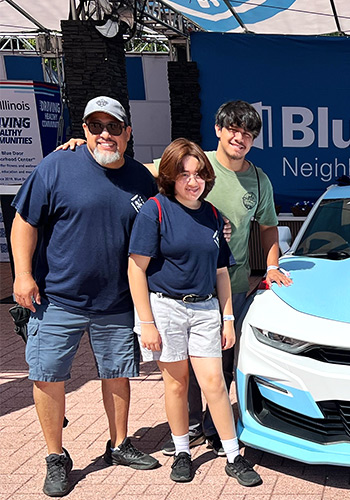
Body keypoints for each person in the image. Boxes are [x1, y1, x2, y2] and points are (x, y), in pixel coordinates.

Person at [59, 100, 292, 454]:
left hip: (231, 286)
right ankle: (193, 427)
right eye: (233, 129)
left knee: (220, 365)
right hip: (180, 288)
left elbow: (269, 229)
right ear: (219, 130)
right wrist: (85, 147)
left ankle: (216, 429)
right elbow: (126, 164)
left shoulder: (259, 181)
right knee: (182, 370)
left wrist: (272, 266)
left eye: (248, 133)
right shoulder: (194, 162)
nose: (239, 138)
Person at [11, 96, 160, 497]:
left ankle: (119, 444)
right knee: (47, 376)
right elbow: (24, 221)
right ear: (85, 131)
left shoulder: (142, 180)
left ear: (128, 133)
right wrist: (23, 275)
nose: (104, 134)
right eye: (95, 127)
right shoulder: (56, 165)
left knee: (117, 374)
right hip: (57, 298)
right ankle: (55, 457)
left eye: (113, 126)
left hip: (116, 301)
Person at [127, 138, 262, 486]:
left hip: (205, 310)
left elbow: (221, 273)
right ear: (170, 176)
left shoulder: (213, 216)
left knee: (215, 383)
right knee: (176, 385)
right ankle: (182, 451)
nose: (193, 181)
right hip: (166, 308)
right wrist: (147, 323)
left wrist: (228, 318)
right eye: (184, 174)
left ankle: (233, 455)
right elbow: (136, 268)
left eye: (199, 173)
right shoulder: (154, 210)